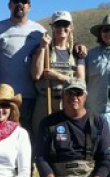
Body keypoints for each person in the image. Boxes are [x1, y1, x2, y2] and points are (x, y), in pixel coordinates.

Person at [0, 0, 46, 134]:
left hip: (29, 96)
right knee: (3, 138)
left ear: (29, 7)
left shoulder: (39, 31)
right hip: (3, 98)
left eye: (24, 1)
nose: (19, 4)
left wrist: (78, 48)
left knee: (27, 138)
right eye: (16, 1)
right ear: (9, 5)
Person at [31, 10, 85, 138]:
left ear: (71, 27)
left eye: (65, 24)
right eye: (58, 25)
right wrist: (43, 48)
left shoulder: (76, 53)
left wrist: (57, 76)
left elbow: (81, 82)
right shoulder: (43, 48)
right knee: (42, 138)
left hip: (67, 102)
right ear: (52, 27)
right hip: (45, 101)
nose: (61, 28)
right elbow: (36, 75)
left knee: (64, 139)